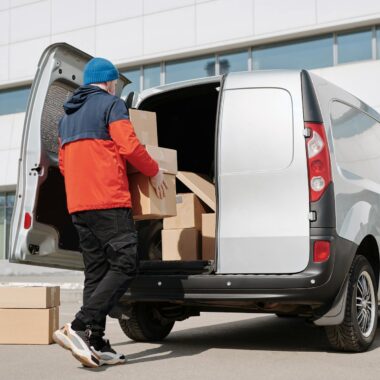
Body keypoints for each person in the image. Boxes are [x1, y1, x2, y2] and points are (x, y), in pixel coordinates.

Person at [52, 57, 167, 368]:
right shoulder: (111, 105)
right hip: (108, 200)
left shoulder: (66, 119)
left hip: (79, 204)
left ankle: (96, 339)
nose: (115, 86)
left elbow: (63, 165)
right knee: (126, 264)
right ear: (109, 81)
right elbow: (128, 146)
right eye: (115, 82)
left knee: (97, 272)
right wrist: (154, 171)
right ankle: (78, 326)